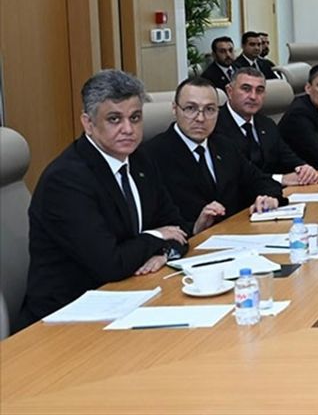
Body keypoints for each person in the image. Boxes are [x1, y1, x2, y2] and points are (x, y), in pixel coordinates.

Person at [16, 70, 189, 331]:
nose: (128, 129)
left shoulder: (141, 160)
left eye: (135, 117)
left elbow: (177, 227)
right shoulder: (66, 179)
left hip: (128, 296)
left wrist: (164, 253)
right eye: (114, 119)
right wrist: (157, 236)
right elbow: (110, 264)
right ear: (88, 123)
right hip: (66, 318)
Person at [141, 78, 284, 234]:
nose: (200, 118)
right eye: (190, 108)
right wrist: (194, 227)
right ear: (175, 109)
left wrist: (269, 198)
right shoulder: (151, 155)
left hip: (235, 235)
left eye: (209, 109)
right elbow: (154, 221)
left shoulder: (224, 145)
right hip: (190, 243)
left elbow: (261, 181)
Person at [214, 68, 318, 186]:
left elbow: (287, 156)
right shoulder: (214, 125)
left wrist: (304, 169)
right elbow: (236, 175)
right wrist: (280, 179)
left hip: (272, 193)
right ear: (229, 91)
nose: (253, 96)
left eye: (259, 90)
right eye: (246, 89)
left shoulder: (267, 124)